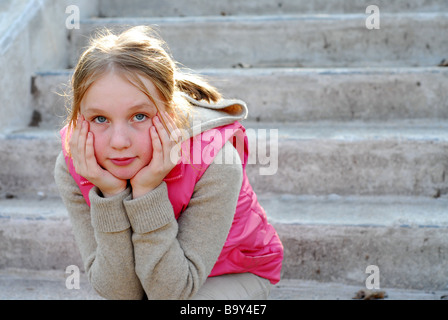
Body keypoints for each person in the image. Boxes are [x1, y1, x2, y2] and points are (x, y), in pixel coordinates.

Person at [54, 26, 283, 300]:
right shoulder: (77, 163)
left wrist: (147, 192)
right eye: (100, 119)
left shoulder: (214, 161)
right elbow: (119, 292)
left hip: (232, 271)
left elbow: (171, 292)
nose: (119, 142)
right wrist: (111, 194)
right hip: (155, 278)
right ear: (79, 118)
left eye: (139, 116)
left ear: (170, 113)